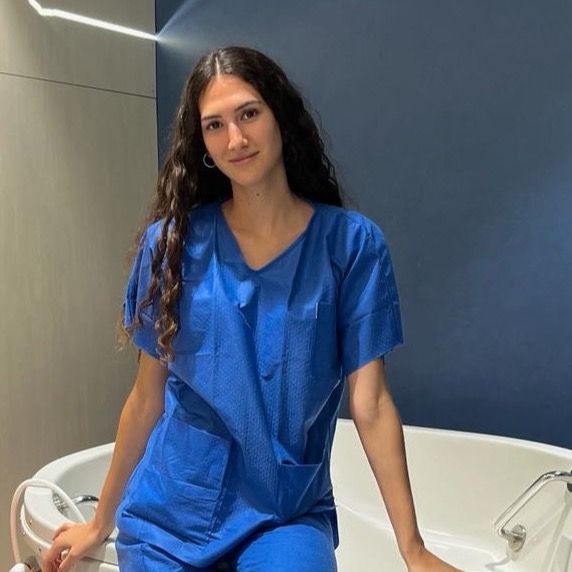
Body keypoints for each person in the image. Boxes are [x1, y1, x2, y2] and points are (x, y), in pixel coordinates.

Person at [42, 45, 462, 572]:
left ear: (279, 115)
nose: (235, 139)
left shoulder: (350, 246)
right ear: (202, 144)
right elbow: (146, 399)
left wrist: (413, 550)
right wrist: (100, 521)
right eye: (215, 125)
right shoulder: (171, 245)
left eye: (248, 114)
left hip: (284, 512)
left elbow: (371, 403)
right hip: (174, 513)